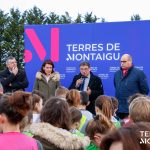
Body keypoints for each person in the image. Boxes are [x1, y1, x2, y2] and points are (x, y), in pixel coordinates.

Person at [114, 54, 149, 119]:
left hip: (132, 109)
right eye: (121, 61)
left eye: (124, 61)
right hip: (119, 109)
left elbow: (145, 90)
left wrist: (137, 104)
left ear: (130, 61)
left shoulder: (139, 73)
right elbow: (117, 87)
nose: (122, 63)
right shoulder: (117, 74)